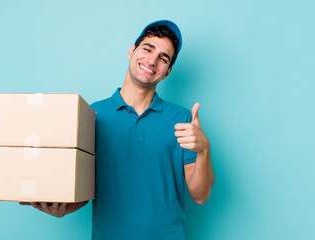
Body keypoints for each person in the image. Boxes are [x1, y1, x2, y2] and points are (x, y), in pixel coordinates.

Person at [20, 20, 214, 240]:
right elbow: (84, 190)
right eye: (148, 49)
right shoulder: (92, 114)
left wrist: (204, 150)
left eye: (163, 58)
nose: (152, 61)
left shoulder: (183, 120)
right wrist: (61, 207)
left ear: (167, 72)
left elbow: (201, 195)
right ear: (132, 51)